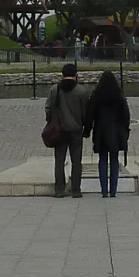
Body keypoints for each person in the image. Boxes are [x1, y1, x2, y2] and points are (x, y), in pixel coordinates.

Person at [44, 61, 88, 197]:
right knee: (76, 162)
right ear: (76, 75)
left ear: (62, 75)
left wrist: (51, 121)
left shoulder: (55, 89)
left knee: (59, 161)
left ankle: (59, 189)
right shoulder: (81, 91)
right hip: (75, 130)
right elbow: (86, 112)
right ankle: (76, 189)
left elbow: (48, 107)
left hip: (59, 131)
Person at [87, 69, 131, 198]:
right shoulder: (119, 95)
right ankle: (113, 190)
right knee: (114, 160)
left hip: (100, 131)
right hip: (116, 131)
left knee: (102, 160)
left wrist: (87, 130)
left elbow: (90, 114)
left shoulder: (96, 95)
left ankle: (104, 190)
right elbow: (126, 115)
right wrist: (126, 129)